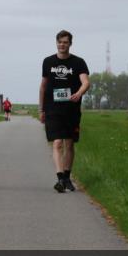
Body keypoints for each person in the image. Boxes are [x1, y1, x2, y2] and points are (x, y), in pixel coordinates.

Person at [39, 30, 90, 193]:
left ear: (70, 44)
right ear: (56, 43)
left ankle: (67, 177)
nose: (62, 45)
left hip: (71, 109)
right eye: (60, 42)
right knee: (57, 142)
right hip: (53, 108)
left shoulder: (78, 62)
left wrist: (79, 93)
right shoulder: (48, 62)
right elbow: (43, 86)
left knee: (69, 143)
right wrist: (41, 109)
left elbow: (85, 82)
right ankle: (60, 178)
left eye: (65, 42)